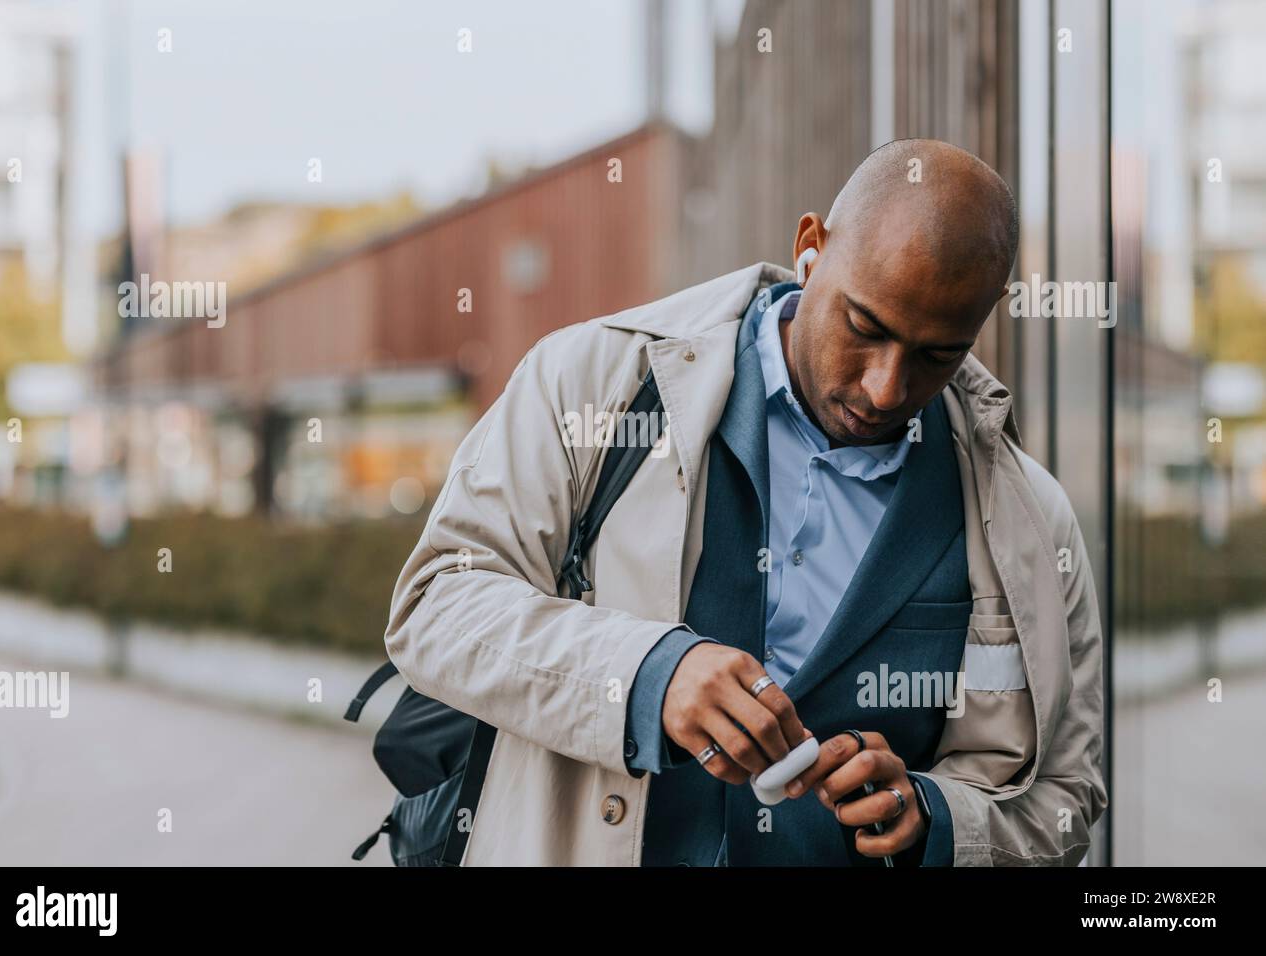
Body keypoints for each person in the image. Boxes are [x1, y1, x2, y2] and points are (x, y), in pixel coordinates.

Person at [384, 138, 1108, 866]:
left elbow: (1070, 796)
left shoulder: (1030, 522)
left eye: (937, 355)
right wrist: (645, 673)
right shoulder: (592, 382)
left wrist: (934, 818)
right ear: (810, 248)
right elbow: (436, 605)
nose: (887, 388)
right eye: (865, 327)